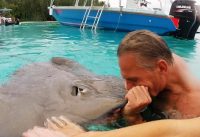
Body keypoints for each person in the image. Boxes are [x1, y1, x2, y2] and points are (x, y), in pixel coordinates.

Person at [23, 30, 200, 136]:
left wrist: (132, 117)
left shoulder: (192, 106)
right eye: (126, 78)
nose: (126, 88)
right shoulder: (162, 62)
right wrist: (123, 112)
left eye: (133, 80)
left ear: (161, 68)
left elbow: (169, 132)